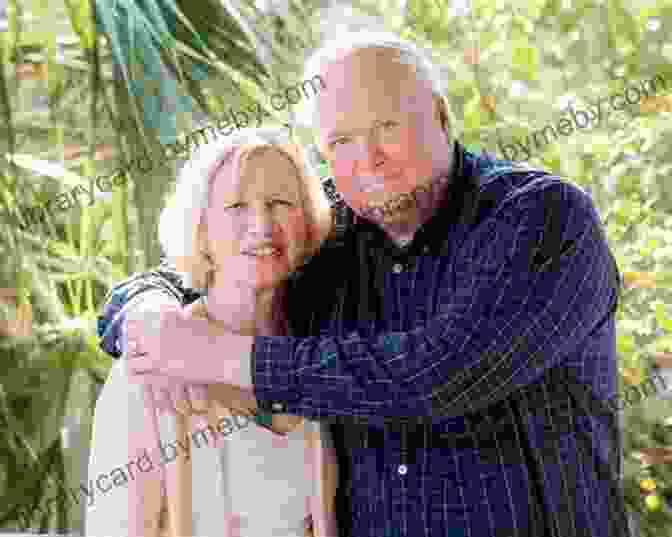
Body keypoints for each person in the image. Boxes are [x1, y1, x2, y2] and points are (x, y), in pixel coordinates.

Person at [97, 31, 628, 537]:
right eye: (341, 141)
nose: (369, 157)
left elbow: (433, 375)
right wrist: (145, 311)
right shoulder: (332, 227)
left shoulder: (538, 217)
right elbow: (213, 264)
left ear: (442, 117)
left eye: (387, 128)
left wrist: (219, 357)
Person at [86, 128, 338, 537]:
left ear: (309, 222)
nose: (261, 224)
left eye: (280, 203)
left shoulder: (317, 364)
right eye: (237, 206)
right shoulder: (148, 371)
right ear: (200, 229)